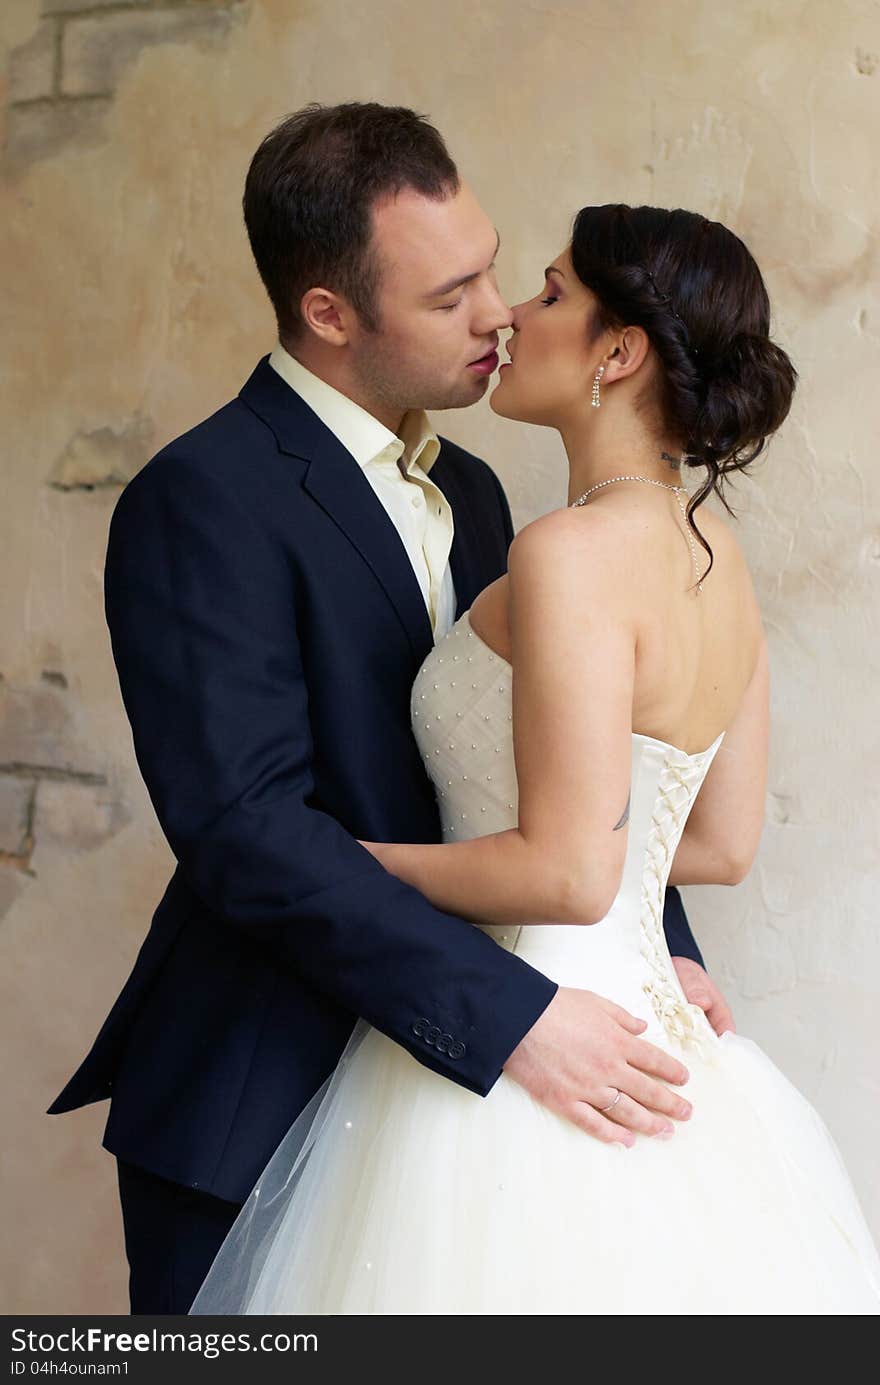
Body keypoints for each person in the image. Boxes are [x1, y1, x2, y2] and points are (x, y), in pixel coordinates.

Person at [45, 104, 724, 1315]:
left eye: (497, 268)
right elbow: (247, 832)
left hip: (476, 1105)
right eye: (450, 293)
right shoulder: (200, 498)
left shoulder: (472, 485)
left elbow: (553, 751)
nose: (500, 313)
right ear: (328, 314)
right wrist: (510, 1016)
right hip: (267, 1078)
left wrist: (657, 935)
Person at [190, 202, 880, 1315]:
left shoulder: (563, 550)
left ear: (618, 351)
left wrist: (353, 856)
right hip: (651, 1029)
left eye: (549, 292)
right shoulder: (720, 558)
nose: (512, 313)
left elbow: (565, 870)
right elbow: (716, 842)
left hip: (530, 1026)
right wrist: (647, 942)